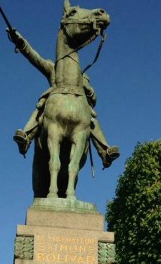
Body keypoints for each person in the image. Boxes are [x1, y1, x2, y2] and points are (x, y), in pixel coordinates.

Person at [7, 29, 120, 168]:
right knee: (41, 108)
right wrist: (20, 41)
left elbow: (93, 99)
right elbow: (34, 57)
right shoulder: (52, 67)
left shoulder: (82, 76)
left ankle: (104, 151)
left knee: (90, 118)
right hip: (55, 102)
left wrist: (89, 90)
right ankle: (27, 138)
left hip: (79, 105)